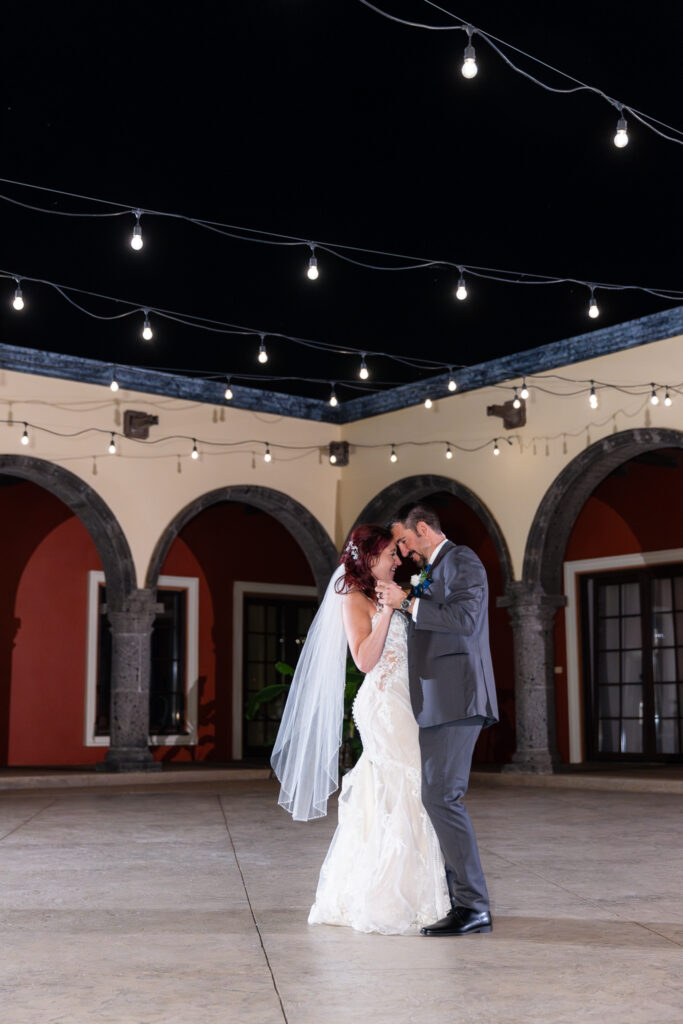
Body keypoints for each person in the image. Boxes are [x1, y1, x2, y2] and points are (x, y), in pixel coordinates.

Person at [271, 523, 450, 935]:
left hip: (406, 703)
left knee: (403, 788)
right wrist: (388, 610)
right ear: (369, 558)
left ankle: (418, 891)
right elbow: (365, 660)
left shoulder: (392, 591)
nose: (397, 559)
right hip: (384, 706)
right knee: (403, 787)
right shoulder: (353, 599)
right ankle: (391, 896)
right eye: (390, 554)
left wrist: (401, 603)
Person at [375, 503, 498, 937]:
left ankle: (473, 907)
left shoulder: (461, 559)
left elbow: (465, 620)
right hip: (436, 700)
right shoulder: (434, 567)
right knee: (436, 796)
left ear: (423, 529)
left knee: (443, 797)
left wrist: (408, 601)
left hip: (457, 698)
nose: (404, 552)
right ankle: (458, 899)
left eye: (405, 541)